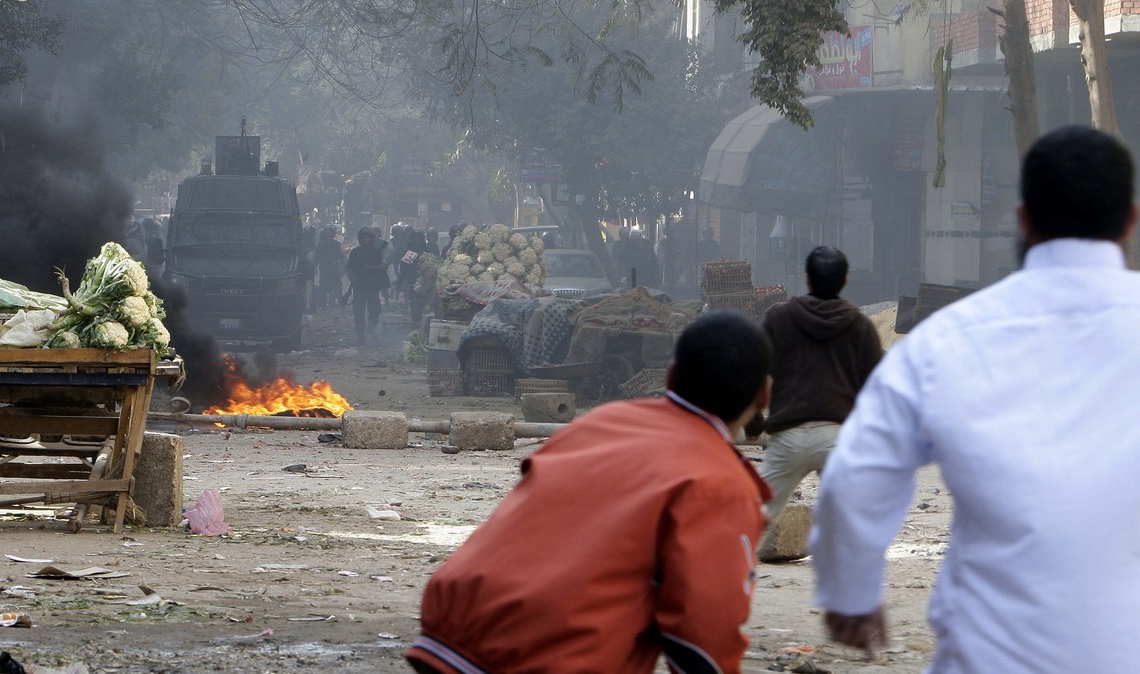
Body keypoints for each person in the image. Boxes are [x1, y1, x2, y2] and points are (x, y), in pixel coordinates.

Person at [810, 126, 1140, 671]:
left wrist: (851, 596)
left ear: (1024, 219)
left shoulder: (948, 340)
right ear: (1129, 220)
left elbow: (855, 479)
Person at [406, 310, 774, 674]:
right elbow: (704, 639)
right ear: (765, 394)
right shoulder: (721, 481)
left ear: (672, 376)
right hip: (552, 652)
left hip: (450, 624)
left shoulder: (603, 421)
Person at [756, 246, 881, 560]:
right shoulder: (860, 326)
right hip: (837, 439)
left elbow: (755, 373)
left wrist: (754, 423)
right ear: (846, 280)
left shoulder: (778, 318)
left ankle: (719, 592)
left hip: (786, 436)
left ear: (807, 279)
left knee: (750, 520)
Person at [345, 227, 390, 345]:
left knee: (375, 310)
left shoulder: (376, 252)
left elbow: (382, 265)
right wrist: (353, 279)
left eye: (368, 237)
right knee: (358, 312)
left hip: (372, 286)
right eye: (364, 237)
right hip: (359, 285)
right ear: (361, 238)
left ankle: (371, 329)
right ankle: (360, 335)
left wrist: (375, 267)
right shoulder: (355, 252)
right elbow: (350, 268)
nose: (366, 239)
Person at [313, 225, 344, 310]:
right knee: (323, 286)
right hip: (324, 268)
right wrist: (315, 266)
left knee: (335, 285)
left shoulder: (336, 244)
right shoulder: (321, 244)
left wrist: (341, 265)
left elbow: (340, 256)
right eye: (327, 232)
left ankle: (333, 302)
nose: (329, 234)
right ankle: (322, 303)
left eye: (330, 232)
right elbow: (317, 256)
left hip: (333, 268)